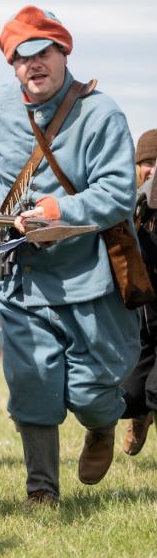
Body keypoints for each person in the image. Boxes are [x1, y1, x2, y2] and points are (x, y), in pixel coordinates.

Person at [0, 6, 140, 505]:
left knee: (92, 392)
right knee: (31, 384)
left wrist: (62, 209)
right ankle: (41, 489)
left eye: (43, 53)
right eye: (21, 58)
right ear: (11, 65)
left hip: (90, 276)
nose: (33, 65)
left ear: (63, 52)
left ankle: (101, 427)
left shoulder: (102, 113)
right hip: (22, 275)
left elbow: (120, 193)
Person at [120, 129, 157, 455]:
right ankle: (140, 416)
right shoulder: (131, 203)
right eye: (147, 162)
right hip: (141, 317)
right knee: (129, 397)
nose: (153, 170)